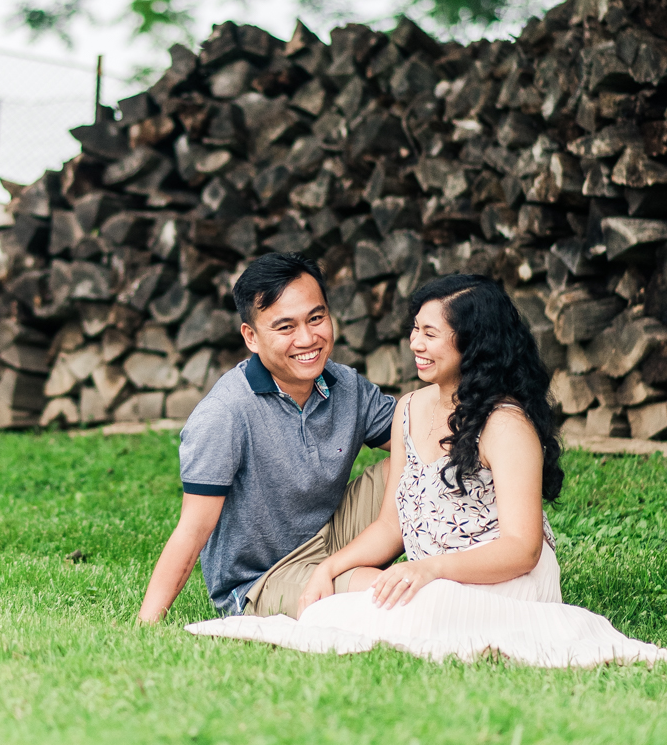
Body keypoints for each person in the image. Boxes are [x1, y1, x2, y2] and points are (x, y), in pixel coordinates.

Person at [188, 274, 667, 667]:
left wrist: (429, 570)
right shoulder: (409, 409)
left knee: (415, 609)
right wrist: (332, 566)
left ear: (473, 343)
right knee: (335, 605)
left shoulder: (505, 425)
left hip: (496, 576)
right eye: (415, 329)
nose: (415, 343)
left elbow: (523, 550)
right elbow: (389, 524)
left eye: (430, 334)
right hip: (431, 572)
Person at [138, 251, 397, 623]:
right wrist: (146, 623)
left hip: (333, 538)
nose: (308, 338)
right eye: (285, 327)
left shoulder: (345, 385)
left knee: (418, 462)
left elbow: (419, 435)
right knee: (380, 593)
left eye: (316, 318)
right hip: (261, 581)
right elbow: (192, 530)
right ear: (252, 337)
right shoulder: (224, 414)